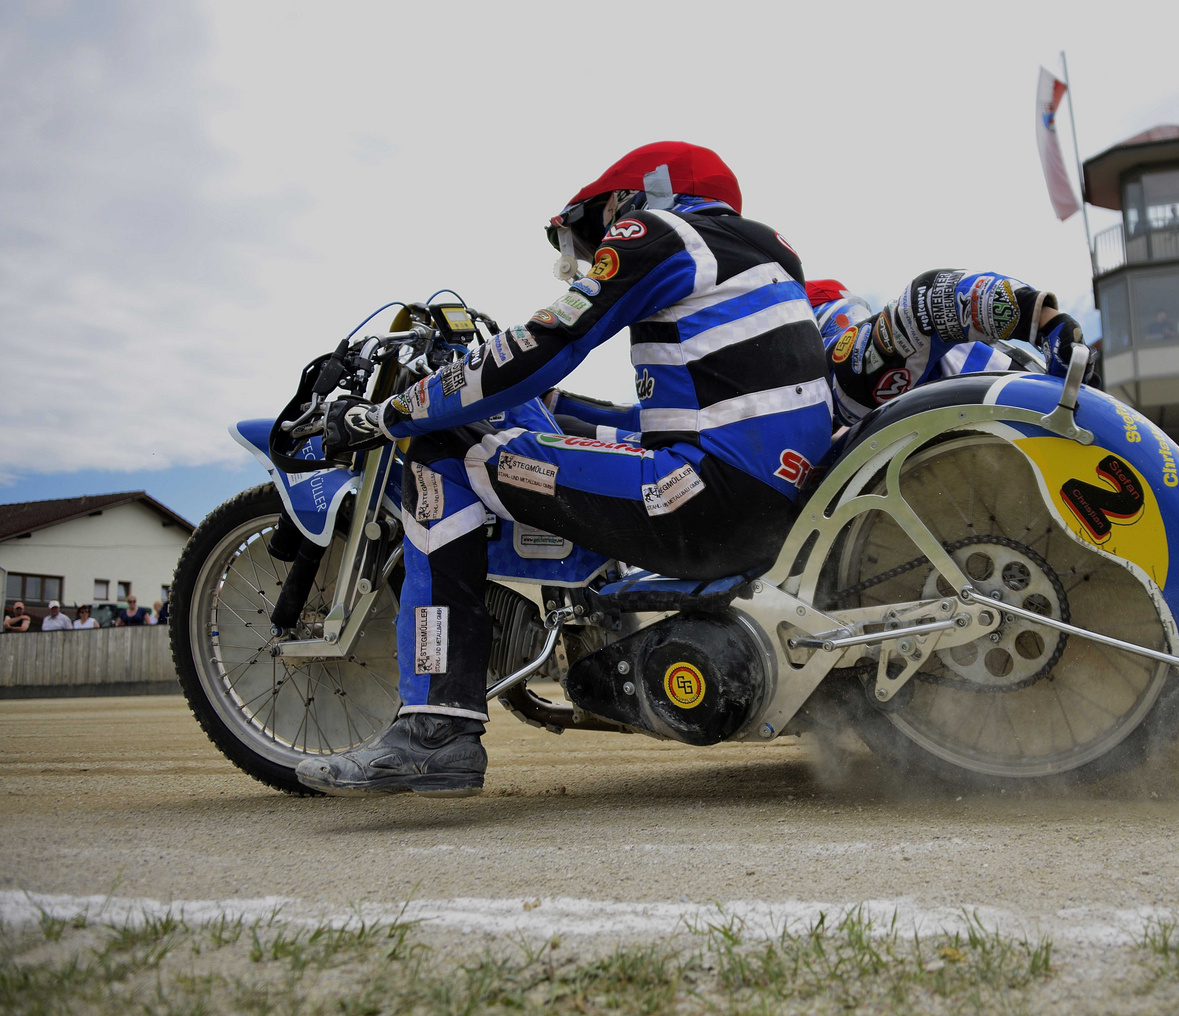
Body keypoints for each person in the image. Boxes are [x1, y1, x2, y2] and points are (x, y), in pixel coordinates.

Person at [302, 141, 833, 798]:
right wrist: (551, 404)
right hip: (773, 505)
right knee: (557, 442)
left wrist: (391, 414)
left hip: (702, 498)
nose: (591, 254)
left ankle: (436, 731)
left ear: (623, 201)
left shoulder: (658, 231)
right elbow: (681, 418)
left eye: (590, 236)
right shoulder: (760, 255)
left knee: (446, 449)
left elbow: (545, 342)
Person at [807, 273, 1086, 428]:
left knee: (858, 377)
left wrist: (1048, 323)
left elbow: (924, 302)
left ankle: (1052, 330)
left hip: (1025, 408)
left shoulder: (841, 378)